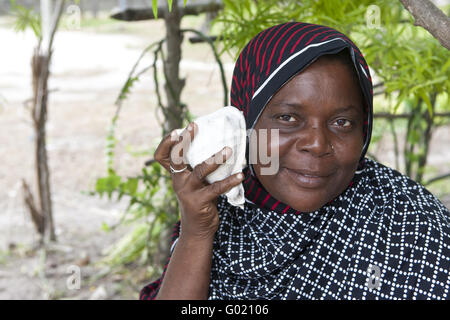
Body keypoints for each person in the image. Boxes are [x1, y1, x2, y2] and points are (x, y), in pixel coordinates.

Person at [140, 22, 450, 300]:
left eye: (342, 122)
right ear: (245, 122)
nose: (317, 145)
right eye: (288, 118)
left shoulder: (411, 224)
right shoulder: (219, 204)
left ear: (364, 130)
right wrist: (197, 231)